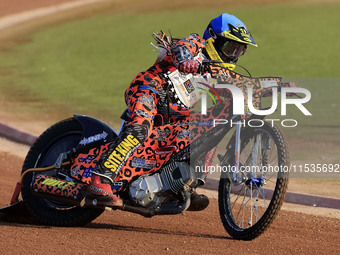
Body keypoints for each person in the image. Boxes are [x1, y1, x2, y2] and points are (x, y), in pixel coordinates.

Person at [87, 13, 257, 210]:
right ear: (213, 39)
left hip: (175, 112)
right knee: (139, 130)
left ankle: (186, 184)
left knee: (211, 128)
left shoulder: (220, 72)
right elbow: (181, 48)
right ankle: (100, 180)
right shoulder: (197, 43)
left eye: (238, 51)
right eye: (230, 48)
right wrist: (186, 60)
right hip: (150, 89)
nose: (233, 55)